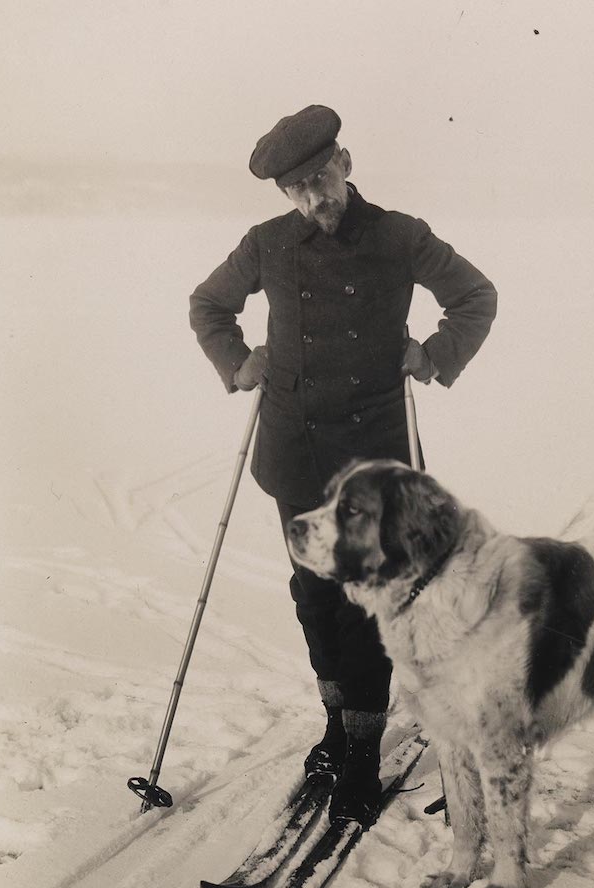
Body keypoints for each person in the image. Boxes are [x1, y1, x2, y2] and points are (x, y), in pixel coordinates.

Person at [189, 104, 497, 827]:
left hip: (370, 458)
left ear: (346, 164)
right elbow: (209, 305)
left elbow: (475, 296)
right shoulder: (268, 244)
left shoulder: (397, 236)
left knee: (364, 601)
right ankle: (336, 723)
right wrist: (238, 363)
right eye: (297, 189)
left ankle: (363, 748)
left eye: (321, 178)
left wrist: (433, 353)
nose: (313, 198)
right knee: (313, 595)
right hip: (294, 448)